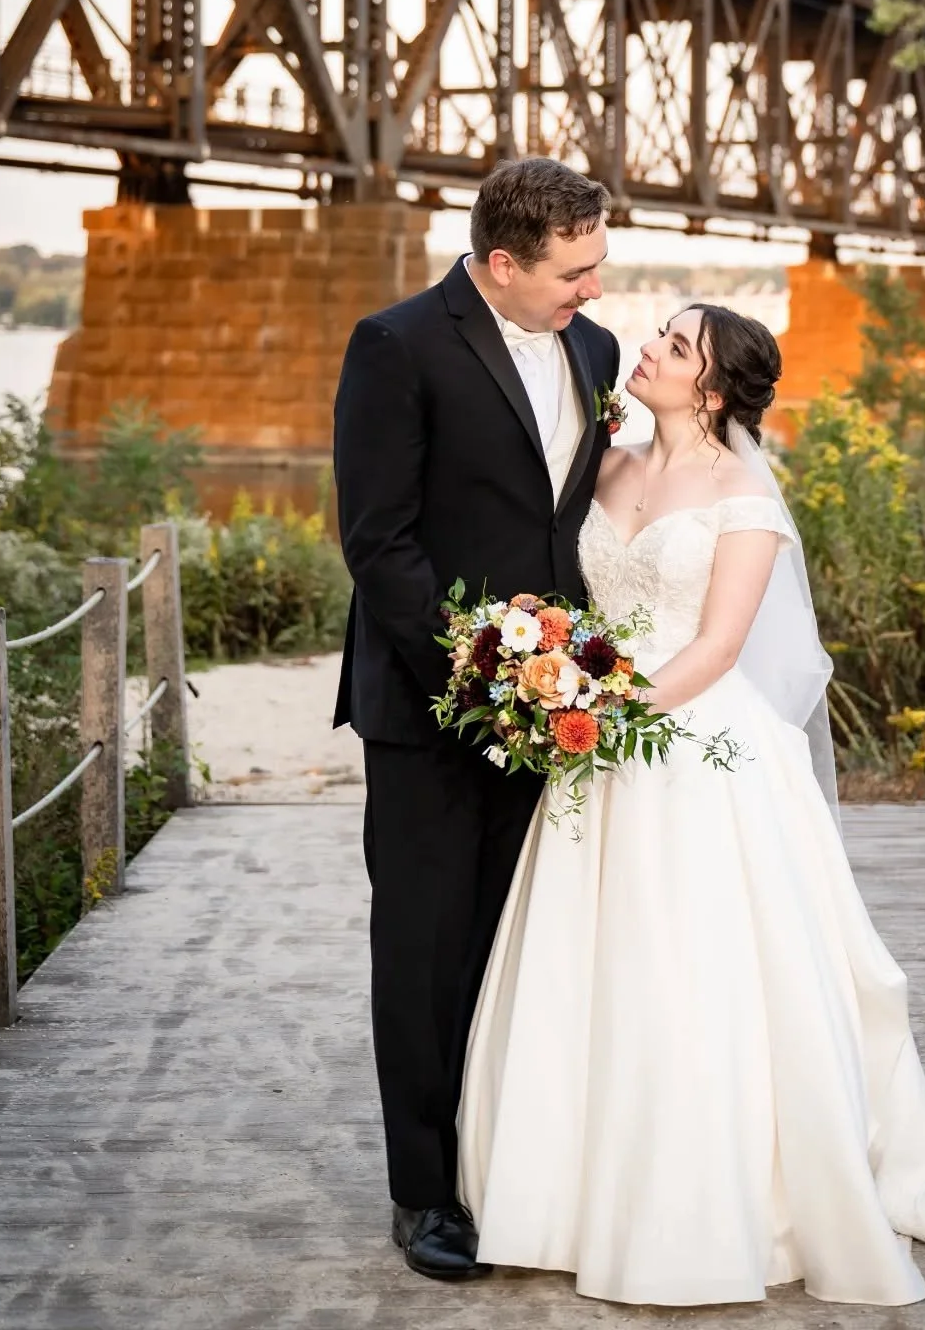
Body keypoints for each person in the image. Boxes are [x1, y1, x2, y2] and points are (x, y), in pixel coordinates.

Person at [457, 304, 925, 1307]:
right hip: (592, 738)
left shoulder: (746, 498)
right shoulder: (605, 469)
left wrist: (608, 715)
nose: (646, 348)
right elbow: (573, 595)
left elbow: (715, 648)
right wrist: (541, 650)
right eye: (658, 332)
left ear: (710, 389)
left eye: (675, 345)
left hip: (689, 742)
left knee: (692, 965)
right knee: (588, 962)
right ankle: (559, 1198)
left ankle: (706, 1206)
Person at [332, 158, 619, 1282]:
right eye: (573, 271)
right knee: (425, 949)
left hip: (559, 711)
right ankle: (425, 1195)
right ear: (502, 263)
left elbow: (569, 530)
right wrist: (477, 673)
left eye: (599, 266)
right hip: (429, 709)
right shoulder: (395, 346)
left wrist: (571, 675)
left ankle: (510, 1166)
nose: (592, 292)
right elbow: (379, 540)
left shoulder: (593, 351)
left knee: (520, 946)